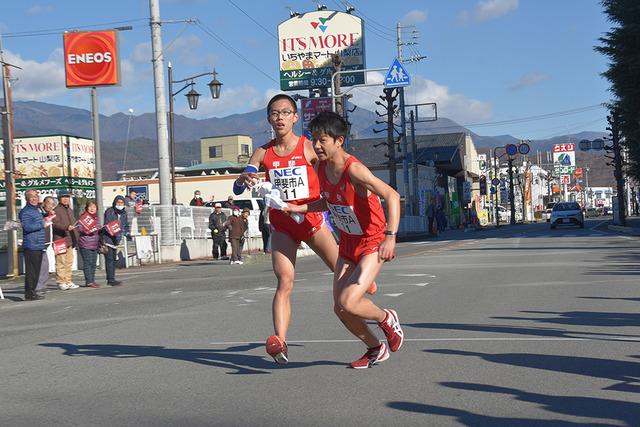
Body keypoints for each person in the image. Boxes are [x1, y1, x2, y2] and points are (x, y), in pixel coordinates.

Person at [285, 111, 404, 369]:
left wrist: (390, 236)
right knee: (340, 309)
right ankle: (375, 348)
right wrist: (300, 208)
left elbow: (392, 196)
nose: (317, 145)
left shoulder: (355, 169)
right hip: (348, 243)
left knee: (349, 301)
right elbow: (327, 201)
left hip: (372, 241)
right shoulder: (321, 167)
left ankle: (387, 318)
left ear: (339, 141)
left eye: (323, 140)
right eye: (314, 139)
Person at [233, 93, 339, 364]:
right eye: (274, 113)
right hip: (281, 224)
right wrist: (245, 177)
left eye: (285, 112)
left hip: (311, 220)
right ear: (269, 118)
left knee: (343, 273)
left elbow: (334, 169)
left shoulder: (308, 148)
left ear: (295, 117)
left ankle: (369, 309)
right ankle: (279, 341)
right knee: (284, 280)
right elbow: (238, 185)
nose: (279, 118)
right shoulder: (262, 152)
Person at [19, 190, 47, 301]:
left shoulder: (37, 210)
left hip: (39, 244)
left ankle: (33, 291)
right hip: (31, 244)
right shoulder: (25, 211)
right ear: (27, 198)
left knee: (36, 270)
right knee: (31, 272)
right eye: (32, 196)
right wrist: (42, 224)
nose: (35, 198)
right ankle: (29, 293)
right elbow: (27, 227)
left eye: (36, 196)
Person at [52, 189, 78, 290]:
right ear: (59, 198)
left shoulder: (70, 210)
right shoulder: (56, 210)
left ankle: (68, 280)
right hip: (60, 240)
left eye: (67, 197)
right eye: (64, 197)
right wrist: (66, 227)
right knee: (60, 262)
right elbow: (55, 224)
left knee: (69, 261)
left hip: (70, 239)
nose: (66, 199)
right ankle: (61, 281)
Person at [101, 195, 130, 286]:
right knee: (110, 259)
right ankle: (111, 279)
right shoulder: (110, 211)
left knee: (113, 260)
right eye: (118, 203)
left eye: (121, 203)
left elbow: (125, 225)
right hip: (108, 238)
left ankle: (112, 278)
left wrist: (127, 234)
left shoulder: (124, 213)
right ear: (114, 203)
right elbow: (108, 224)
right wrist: (114, 233)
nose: (120, 204)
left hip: (116, 239)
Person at [35, 195, 56, 296]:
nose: (51, 206)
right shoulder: (39, 212)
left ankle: (42, 285)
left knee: (45, 266)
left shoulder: (48, 213)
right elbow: (40, 223)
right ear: (43, 203)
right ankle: (38, 286)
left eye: (52, 204)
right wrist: (48, 216)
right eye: (49, 203)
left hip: (46, 242)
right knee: (41, 266)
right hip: (38, 242)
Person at [77, 200, 101, 288]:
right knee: (88, 262)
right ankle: (89, 281)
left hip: (94, 244)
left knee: (93, 263)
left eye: (94, 207)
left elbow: (98, 228)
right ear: (87, 208)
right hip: (85, 243)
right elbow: (79, 228)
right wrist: (87, 230)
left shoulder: (96, 218)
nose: (92, 209)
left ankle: (92, 280)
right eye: (90, 207)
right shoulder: (83, 217)